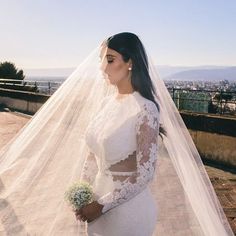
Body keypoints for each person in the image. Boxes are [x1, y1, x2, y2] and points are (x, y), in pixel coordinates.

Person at [0, 32, 234, 236]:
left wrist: (101, 205)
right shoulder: (106, 103)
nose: (103, 67)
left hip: (127, 212)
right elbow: (92, 155)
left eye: (110, 59)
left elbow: (145, 174)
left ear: (130, 62)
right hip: (95, 205)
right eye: (102, 60)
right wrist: (83, 194)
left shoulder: (146, 109)